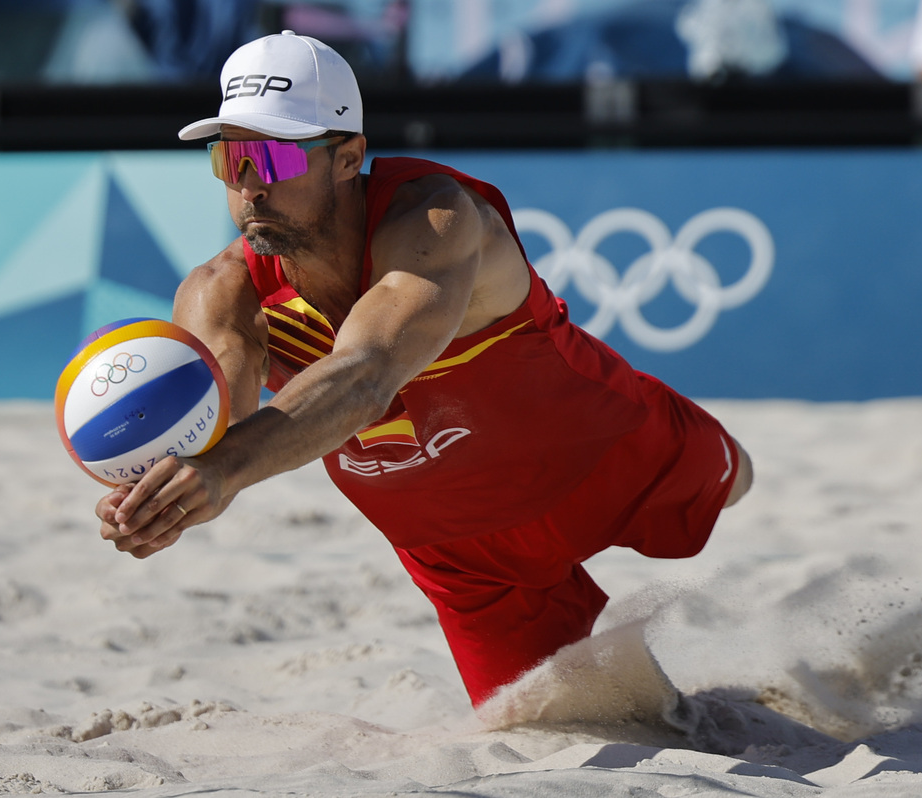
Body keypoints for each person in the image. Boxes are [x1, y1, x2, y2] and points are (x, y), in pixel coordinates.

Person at [95, 30, 754, 709]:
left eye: (271, 155)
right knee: (579, 726)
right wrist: (155, 492)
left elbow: (367, 370)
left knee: (739, 483)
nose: (248, 183)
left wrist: (222, 471)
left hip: (597, 451)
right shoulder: (221, 291)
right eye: (229, 156)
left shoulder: (434, 219)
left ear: (348, 157)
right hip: (463, 555)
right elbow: (212, 425)